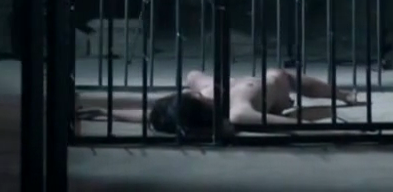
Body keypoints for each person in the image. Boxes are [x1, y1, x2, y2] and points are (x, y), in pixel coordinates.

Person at [79, 68, 359, 136]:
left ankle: (342, 96)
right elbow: (291, 122)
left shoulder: (207, 100)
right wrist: (329, 114)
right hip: (279, 90)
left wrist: (107, 112)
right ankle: (343, 94)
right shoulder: (238, 112)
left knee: (193, 76)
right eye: (200, 98)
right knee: (279, 74)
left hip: (247, 88)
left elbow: (152, 115)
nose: (204, 94)